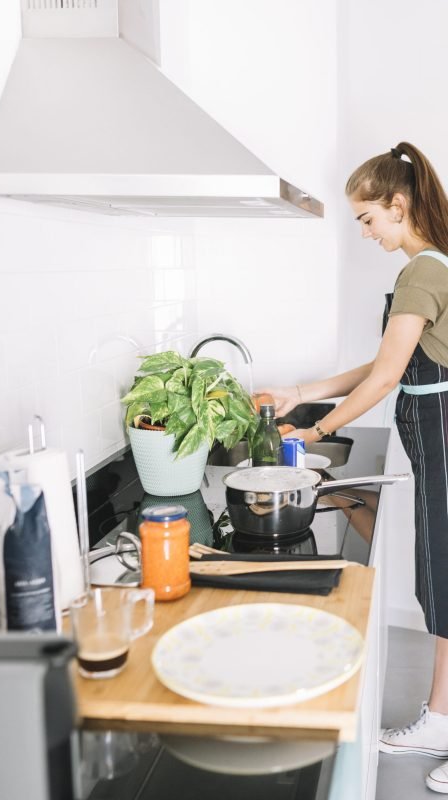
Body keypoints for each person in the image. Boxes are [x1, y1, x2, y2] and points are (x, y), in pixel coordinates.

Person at [262, 141, 448, 794]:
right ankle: (442, 720)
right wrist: (304, 393)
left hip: (445, 436)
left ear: (398, 206)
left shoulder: (423, 270)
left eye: (367, 218)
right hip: (435, 436)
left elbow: (391, 374)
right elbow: (380, 366)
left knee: (447, 579)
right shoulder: (425, 268)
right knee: (441, 576)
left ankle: (444, 725)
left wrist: (317, 428)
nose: (365, 232)